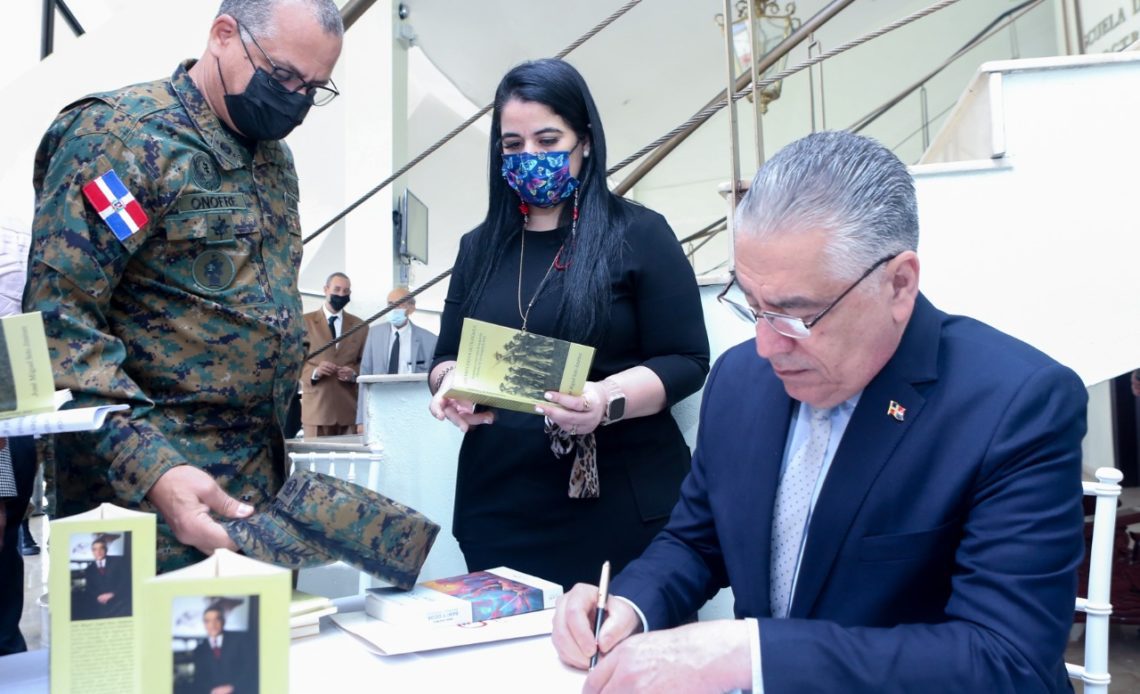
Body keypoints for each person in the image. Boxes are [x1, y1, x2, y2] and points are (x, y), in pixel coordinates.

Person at [552, 131, 1088, 692]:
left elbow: (1005, 660)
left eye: (795, 315)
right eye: (752, 308)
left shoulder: (1017, 404)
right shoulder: (740, 381)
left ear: (899, 283)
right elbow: (697, 539)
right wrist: (631, 607)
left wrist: (750, 654)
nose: (766, 345)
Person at [22, 0, 343, 572]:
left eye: (314, 88)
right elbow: (58, 327)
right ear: (223, 34)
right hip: (138, 501)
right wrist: (154, 471)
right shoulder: (120, 139)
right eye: (284, 77)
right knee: (145, 661)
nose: (295, 100)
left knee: (258, 661)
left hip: (250, 493)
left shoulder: (273, 160)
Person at [428, 59, 709, 591]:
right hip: (501, 505)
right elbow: (445, 357)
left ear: (585, 140)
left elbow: (687, 361)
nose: (529, 156)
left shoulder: (641, 233)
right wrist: (448, 389)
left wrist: (605, 400)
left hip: (622, 507)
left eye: (547, 138)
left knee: (620, 666)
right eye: (512, 145)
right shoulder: (479, 247)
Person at [355, 286, 438, 430]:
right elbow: (364, 376)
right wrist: (361, 419)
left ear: (411, 308)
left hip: (412, 409)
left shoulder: (429, 340)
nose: (394, 308)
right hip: (380, 406)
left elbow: (432, 382)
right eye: (390, 304)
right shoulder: (374, 334)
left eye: (400, 303)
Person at [300, 272, 367, 437]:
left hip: (348, 410)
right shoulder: (304, 322)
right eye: (337, 289)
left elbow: (365, 363)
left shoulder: (360, 326)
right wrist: (315, 372)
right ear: (325, 289)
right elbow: (294, 362)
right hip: (316, 410)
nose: (341, 294)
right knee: (314, 460)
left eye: (346, 291)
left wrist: (353, 374)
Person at [191, 606, 257, 694]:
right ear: (204, 625)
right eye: (208, 621)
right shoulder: (200, 650)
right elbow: (199, 679)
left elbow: (251, 668)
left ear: (223, 621)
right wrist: (212, 691)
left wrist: (232, 687)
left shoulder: (240, 640)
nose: (212, 625)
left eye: (216, 619)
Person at [75, 538, 132, 620]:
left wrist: (112, 594)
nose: (98, 552)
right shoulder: (89, 569)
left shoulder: (118, 561)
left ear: (106, 550)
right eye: (95, 549)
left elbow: (126, 580)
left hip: (121, 604)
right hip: (101, 606)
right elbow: (90, 588)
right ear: (92, 552)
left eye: (101, 548)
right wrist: (98, 597)